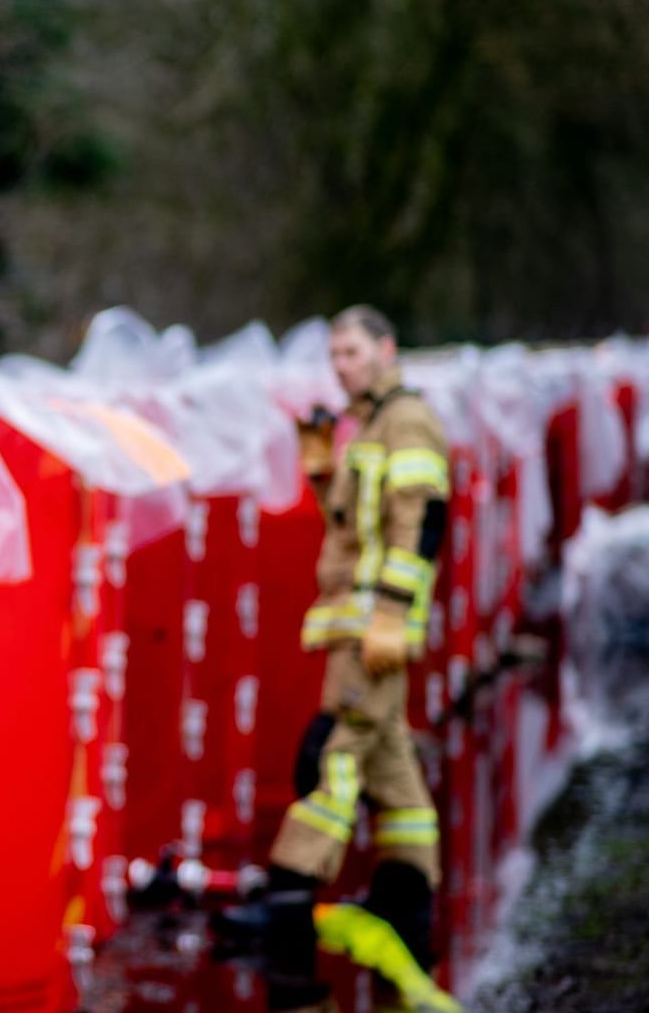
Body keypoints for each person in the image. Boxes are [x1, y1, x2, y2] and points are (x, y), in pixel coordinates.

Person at [261, 306, 458, 1012]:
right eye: (334, 355)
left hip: (371, 630)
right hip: (353, 627)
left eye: (352, 351)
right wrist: (321, 469)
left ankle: (287, 899)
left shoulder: (407, 421)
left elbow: (422, 521)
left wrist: (392, 614)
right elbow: (353, 531)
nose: (341, 365)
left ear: (385, 348)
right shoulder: (368, 427)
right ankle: (410, 896)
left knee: (332, 752)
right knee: (389, 768)